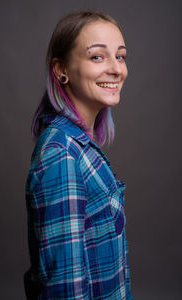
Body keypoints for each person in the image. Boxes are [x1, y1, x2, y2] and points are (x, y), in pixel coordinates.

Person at [24, 10, 133, 300]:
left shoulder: (78, 144)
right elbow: (65, 289)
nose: (116, 69)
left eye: (120, 56)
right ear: (61, 70)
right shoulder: (61, 154)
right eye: (98, 56)